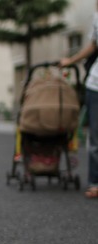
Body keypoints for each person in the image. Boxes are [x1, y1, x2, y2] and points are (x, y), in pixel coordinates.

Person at [60, 2, 98, 198]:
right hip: (96, 84)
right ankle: (95, 182)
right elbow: (93, 45)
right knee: (95, 138)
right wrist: (70, 61)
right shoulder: (97, 17)